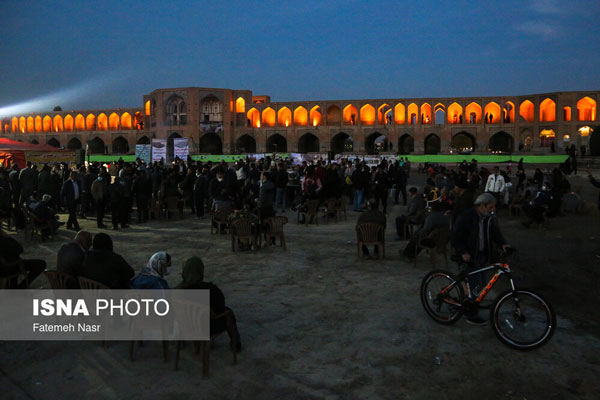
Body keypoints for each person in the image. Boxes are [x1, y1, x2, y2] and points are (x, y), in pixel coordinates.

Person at [450, 193, 511, 325]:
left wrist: (503, 244)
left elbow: (495, 232)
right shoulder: (466, 217)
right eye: (490, 207)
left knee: (482, 283)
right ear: (482, 206)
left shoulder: (487, 218)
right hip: (469, 257)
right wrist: (463, 252)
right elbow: (455, 237)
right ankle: (471, 314)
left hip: (481, 256)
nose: (493, 209)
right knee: (475, 284)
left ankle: (471, 302)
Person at [176, 256, 241, 352]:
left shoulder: (177, 290)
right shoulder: (211, 289)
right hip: (205, 327)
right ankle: (235, 343)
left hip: (186, 325)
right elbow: (220, 307)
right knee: (228, 312)